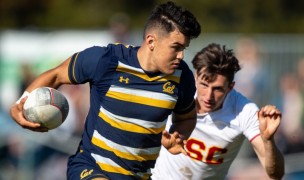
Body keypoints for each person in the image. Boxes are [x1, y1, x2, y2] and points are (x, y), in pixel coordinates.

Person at [9, 1, 201, 180]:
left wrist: (178, 136)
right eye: (176, 47)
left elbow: (186, 118)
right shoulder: (106, 60)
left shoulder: (181, 76)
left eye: (184, 48)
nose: (181, 55)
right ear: (151, 41)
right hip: (91, 168)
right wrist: (21, 103)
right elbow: (56, 75)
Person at [151, 43, 285, 180]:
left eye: (218, 89)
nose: (208, 96)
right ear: (196, 77)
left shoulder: (244, 111)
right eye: (204, 85)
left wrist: (268, 140)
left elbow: (275, 174)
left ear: (230, 87)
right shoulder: (176, 92)